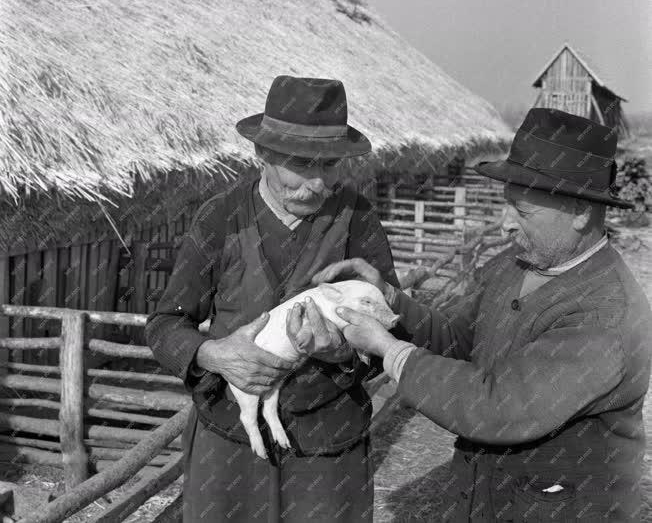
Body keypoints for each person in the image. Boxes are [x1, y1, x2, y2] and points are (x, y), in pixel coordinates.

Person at [316, 108, 652, 521]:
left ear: (581, 211)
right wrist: (385, 296)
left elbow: (496, 406)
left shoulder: (605, 315)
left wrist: (389, 349)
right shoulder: (515, 265)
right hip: (489, 499)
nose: (504, 224)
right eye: (506, 205)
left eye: (522, 212)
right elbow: (456, 338)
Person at [145, 75, 399, 522]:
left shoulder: (358, 221)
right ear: (262, 154)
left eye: (330, 166)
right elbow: (166, 324)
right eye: (301, 164)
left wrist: (343, 353)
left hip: (327, 445)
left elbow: (391, 330)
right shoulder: (221, 218)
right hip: (229, 441)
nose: (317, 183)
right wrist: (213, 354)